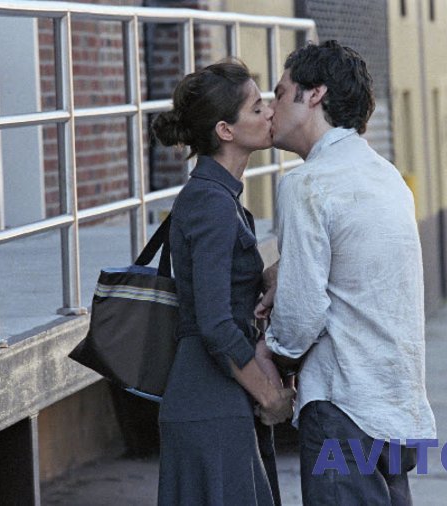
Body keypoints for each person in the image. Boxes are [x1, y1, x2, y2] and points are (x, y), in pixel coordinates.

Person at [255, 41, 437, 505]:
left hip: (343, 405)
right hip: (398, 406)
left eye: (281, 93)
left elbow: (301, 316)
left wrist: (270, 359)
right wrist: (286, 271)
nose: (271, 108)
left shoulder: (307, 183)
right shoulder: (386, 176)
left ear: (315, 94)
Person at [152, 60, 294, 506]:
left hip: (217, 401)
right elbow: (214, 322)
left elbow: (220, 288)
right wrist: (270, 397)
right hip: (208, 406)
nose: (270, 112)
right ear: (225, 131)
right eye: (256, 108)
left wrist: (267, 277)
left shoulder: (220, 197)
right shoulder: (212, 203)